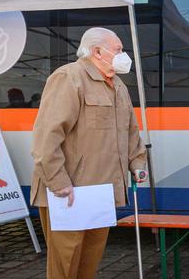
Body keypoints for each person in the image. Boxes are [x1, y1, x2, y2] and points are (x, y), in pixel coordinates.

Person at [30, 27, 147, 279]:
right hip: (69, 192)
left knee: (89, 262)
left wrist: (137, 163)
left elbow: (130, 131)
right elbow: (47, 137)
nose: (123, 55)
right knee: (65, 265)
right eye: (118, 49)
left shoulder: (118, 86)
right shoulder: (69, 77)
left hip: (100, 193)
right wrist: (59, 182)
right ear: (97, 51)